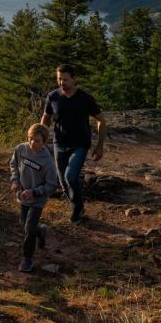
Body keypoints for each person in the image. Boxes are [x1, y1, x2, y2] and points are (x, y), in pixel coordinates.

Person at [39, 64, 106, 224]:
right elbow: (46, 117)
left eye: (65, 79)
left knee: (70, 177)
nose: (62, 82)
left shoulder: (85, 98)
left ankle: (76, 211)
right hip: (59, 144)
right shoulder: (53, 96)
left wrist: (100, 145)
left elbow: (101, 120)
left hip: (80, 144)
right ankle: (79, 207)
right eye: (59, 79)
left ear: (74, 79)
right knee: (62, 182)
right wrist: (39, 137)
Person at [10, 122, 59, 272]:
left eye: (37, 140)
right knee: (24, 224)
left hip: (37, 199)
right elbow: (14, 165)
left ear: (44, 142)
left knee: (29, 228)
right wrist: (14, 181)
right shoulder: (20, 149)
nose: (32, 143)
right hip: (23, 196)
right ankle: (41, 231)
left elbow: (51, 185)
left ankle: (27, 259)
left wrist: (35, 192)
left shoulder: (48, 161)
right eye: (30, 138)